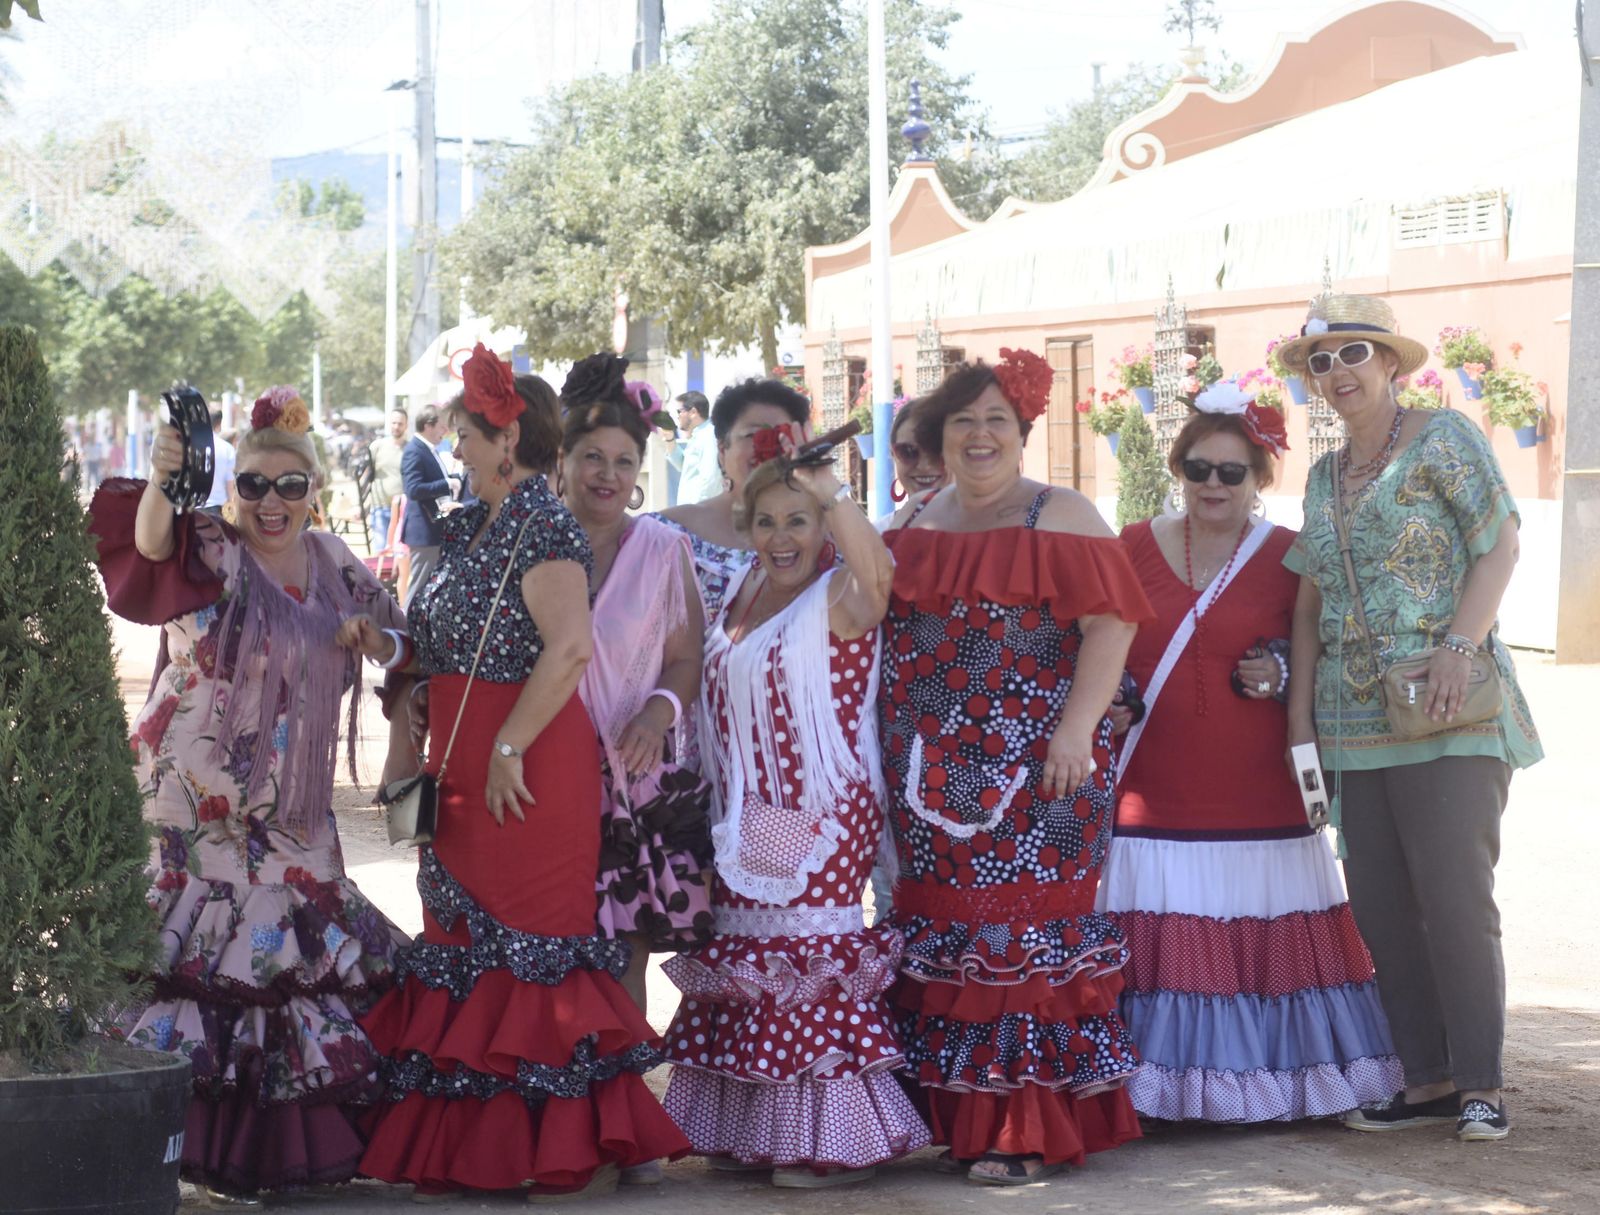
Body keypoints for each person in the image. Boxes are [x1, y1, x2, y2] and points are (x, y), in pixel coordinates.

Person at [355, 345, 688, 1202]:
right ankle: (472, 1151)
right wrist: (390, 652)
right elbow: (441, 644)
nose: (452, 446)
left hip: (528, 767)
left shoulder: (544, 524)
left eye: (464, 433)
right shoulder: (474, 524)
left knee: (533, 958)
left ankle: (546, 1147)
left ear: (507, 439)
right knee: (461, 949)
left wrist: (506, 746)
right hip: (467, 761)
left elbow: (571, 649)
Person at [90, 385, 408, 1206]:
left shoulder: (337, 563)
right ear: (232, 491)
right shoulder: (208, 547)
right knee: (193, 974)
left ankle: (272, 1152)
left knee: (287, 977)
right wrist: (166, 474)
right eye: (253, 484)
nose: (271, 502)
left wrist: (377, 639)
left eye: (289, 485)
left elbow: (404, 635)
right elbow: (148, 541)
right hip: (197, 805)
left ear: (314, 492)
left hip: (295, 814)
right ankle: (178, 1144)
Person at [1096, 382, 1402, 1124]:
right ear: (1179, 468)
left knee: (1265, 943)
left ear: (1260, 479)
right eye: (1198, 468)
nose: (1212, 484)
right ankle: (1155, 1096)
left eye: (1232, 472)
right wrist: (1114, 695)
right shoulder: (1128, 546)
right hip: (1151, 791)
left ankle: (1277, 1087)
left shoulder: (1291, 557)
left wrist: (1284, 673)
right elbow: (1091, 645)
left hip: (1260, 789)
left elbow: (1324, 656)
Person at [878, 350, 1150, 1184]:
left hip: (1042, 775)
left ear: (1023, 434)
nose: (980, 434)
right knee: (953, 938)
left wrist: (1075, 731)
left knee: (1019, 940)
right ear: (938, 436)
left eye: (997, 419)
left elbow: (1114, 625)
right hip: (929, 780)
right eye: (963, 421)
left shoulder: (1059, 514)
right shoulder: (920, 519)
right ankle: (959, 1117)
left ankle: (1021, 1128)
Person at [1275, 294, 1542, 1143]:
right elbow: (1309, 603)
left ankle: (1482, 1083)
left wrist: (1463, 647)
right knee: (1383, 906)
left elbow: (1500, 543)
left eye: (1354, 353)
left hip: (1448, 702)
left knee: (1457, 897)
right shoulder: (1321, 476)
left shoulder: (1444, 437)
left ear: (1390, 362)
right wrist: (1298, 719)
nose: (1338, 372)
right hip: (1352, 720)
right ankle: (1424, 1076)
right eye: (1321, 361)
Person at [659, 424, 930, 1187]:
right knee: (751, 954)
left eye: (799, 521)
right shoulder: (743, 588)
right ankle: (751, 1126)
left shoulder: (838, 592)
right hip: (744, 813)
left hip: (820, 815)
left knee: (800, 960)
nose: (783, 538)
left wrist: (832, 491)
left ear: (821, 526)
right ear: (747, 526)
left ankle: (827, 1138)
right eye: (769, 521)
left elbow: (881, 579)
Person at [557, 352, 714, 1013]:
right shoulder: (527, 543)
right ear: (562, 459)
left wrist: (657, 713)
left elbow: (687, 655)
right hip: (543, 781)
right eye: (594, 456)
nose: (609, 475)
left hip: (628, 783)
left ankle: (617, 1110)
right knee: (546, 962)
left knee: (623, 964)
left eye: (625, 461)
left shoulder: (662, 549)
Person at [654, 378, 812, 623]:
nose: (768, 446)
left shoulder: (827, 535)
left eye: (781, 435)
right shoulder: (667, 534)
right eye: (753, 435)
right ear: (722, 450)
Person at [399, 405, 450, 610]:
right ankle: (407, 630)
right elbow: (413, 489)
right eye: (441, 426)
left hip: (431, 529)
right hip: (424, 531)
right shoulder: (415, 450)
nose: (445, 431)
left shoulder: (425, 449)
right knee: (419, 585)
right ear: (428, 425)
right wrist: (447, 484)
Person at [874, 399, 949, 530]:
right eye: (908, 452)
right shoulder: (874, 537)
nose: (924, 466)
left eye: (936, 451)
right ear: (893, 454)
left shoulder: (986, 532)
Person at [665, 390, 721, 505]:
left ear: (693, 412)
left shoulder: (708, 435)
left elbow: (710, 480)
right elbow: (683, 464)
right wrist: (670, 437)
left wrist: (696, 513)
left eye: (679, 411)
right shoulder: (699, 435)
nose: (677, 416)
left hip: (700, 516)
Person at [367, 408, 407, 543]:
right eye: (394, 423)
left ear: (406, 425)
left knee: (400, 554)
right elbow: (365, 475)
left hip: (403, 509)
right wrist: (358, 505)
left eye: (400, 424)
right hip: (380, 506)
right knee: (381, 552)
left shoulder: (411, 449)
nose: (396, 426)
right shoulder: (376, 446)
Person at [204, 407, 237, 510]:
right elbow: (230, 482)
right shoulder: (227, 449)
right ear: (219, 424)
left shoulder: (192, 447)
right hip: (218, 505)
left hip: (195, 506)